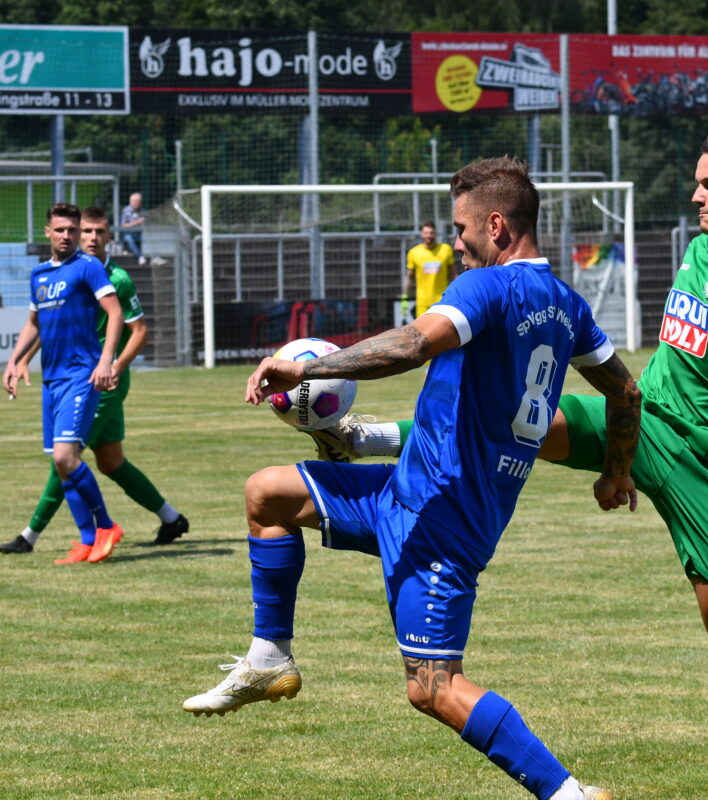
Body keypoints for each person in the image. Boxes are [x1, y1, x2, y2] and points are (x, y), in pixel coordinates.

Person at [307, 133, 708, 800]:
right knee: (524, 414)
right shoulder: (704, 245)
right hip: (646, 416)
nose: (696, 195)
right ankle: (368, 436)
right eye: (699, 182)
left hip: (705, 461)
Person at [182, 157, 642, 800]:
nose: (456, 242)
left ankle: (569, 795)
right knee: (268, 494)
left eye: (461, 229)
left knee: (433, 688)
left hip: (442, 522)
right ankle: (269, 657)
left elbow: (412, 344)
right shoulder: (568, 306)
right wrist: (615, 473)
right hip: (407, 492)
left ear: (497, 225)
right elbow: (626, 392)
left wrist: (308, 371)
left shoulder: (486, 287)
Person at [0, 207, 189, 556]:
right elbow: (50, 320)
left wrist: (113, 365)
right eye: (85, 231)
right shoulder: (56, 272)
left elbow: (139, 330)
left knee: (66, 457)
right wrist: (20, 358)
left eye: (97, 232)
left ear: (108, 236)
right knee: (110, 461)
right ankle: (171, 517)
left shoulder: (114, 278)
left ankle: (34, 535)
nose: (89, 238)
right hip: (74, 374)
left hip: (100, 379)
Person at [2, 203, 127, 565]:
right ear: (48, 232)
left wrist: (106, 361)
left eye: (72, 230)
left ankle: (106, 526)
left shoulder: (88, 267)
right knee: (61, 465)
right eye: (60, 230)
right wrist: (14, 360)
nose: (67, 236)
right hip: (52, 380)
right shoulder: (39, 274)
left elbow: (115, 313)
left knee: (65, 457)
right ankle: (87, 541)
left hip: (81, 375)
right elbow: (34, 323)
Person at [404, 219, 456, 318]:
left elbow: (453, 274)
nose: (429, 236)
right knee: (421, 328)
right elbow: (409, 277)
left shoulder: (446, 250)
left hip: (442, 302)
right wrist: (404, 297)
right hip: (422, 303)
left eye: (431, 233)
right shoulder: (414, 253)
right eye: (426, 233)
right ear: (422, 234)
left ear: (435, 233)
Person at [120, 192, 145, 264]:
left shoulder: (142, 211)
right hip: (128, 234)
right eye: (135, 201)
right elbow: (123, 225)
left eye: (138, 201)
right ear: (130, 201)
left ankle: (156, 257)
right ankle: (140, 256)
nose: (137, 203)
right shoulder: (126, 210)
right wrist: (136, 223)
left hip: (140, 233)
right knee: (128, 238)